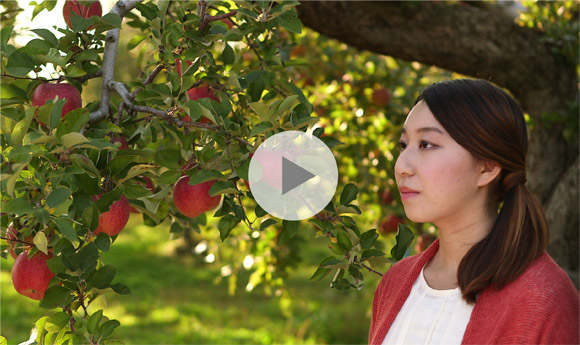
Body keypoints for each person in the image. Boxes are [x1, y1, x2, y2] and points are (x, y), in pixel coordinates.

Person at [369, 79, 579, 345]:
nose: (401, 166)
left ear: (487, 168)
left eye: (426, 144)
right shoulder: (394, 283)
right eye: (403, 145)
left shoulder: (543, 299)